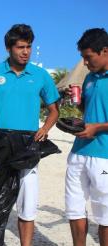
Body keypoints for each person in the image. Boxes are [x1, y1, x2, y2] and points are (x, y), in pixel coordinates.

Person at [0, 24, 60, 246]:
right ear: (8, 48)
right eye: (20, 47)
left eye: (28, 47)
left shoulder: (40, 75)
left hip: (27, 148)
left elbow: (54, 110)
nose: (25, 52)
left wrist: (45, 128)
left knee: (27, 205)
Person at [65, 28, 108, 246]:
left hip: (104, 155)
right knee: (74, 210)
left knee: (105, 216)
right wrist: (78, 102)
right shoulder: (90, 77)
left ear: (105, 51)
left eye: (88, 57)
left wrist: (98, 127)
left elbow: (99, 121)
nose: (85, 63)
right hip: (78, 151)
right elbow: (91, 111)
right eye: (82, 57)